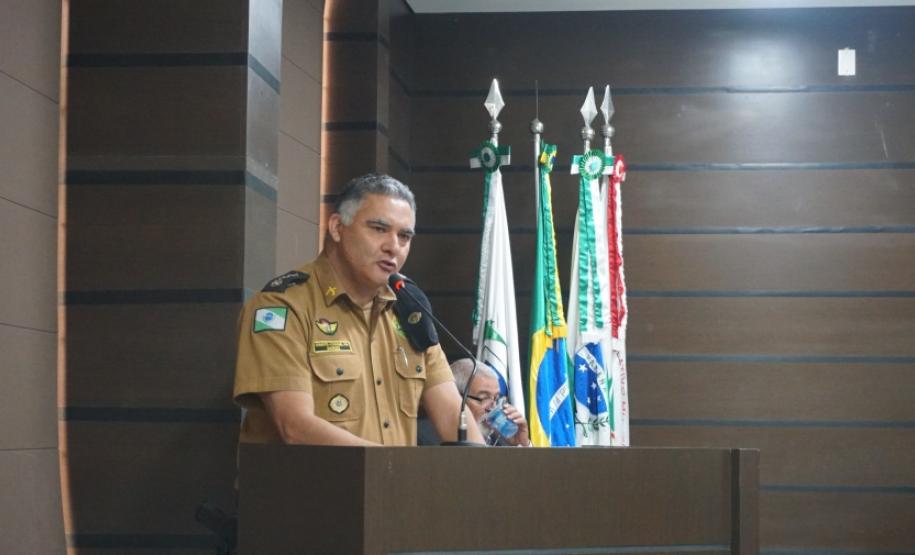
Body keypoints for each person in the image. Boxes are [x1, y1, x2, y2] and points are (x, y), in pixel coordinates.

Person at [233, 173, 483, 446]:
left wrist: (484, 477)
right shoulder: (282, 307)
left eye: (404, 236)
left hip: (392, 486)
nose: (393, 247)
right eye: (378, 229)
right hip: (312, 487)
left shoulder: (410, 311)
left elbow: (451, 414)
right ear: (337, 227)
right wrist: (393, 469)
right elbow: (294, 426)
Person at [450, 358, 530, 446]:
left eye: (496, 398)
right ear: (456, 397)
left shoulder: (500, 440)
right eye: (484, 398)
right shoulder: (437, 442)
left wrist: (522, 444)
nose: (493, 408)